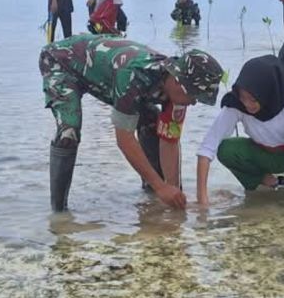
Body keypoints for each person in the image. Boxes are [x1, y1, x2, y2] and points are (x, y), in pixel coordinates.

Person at [39, 34, 223, 212]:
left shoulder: (178, 94)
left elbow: (169, 140)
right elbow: (124, 140)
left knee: (152, 120)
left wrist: (174, 191)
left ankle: (151, 195)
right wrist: (161, 187)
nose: (193, 102)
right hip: (61, 62)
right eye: (193, 95)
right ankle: (59, 213)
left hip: (103, 73)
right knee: (69, 132)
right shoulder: (132, 76)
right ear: (177, 82)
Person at [196, 55, 284, 206]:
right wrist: (202, 201)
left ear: (267, 91)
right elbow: (207, 147)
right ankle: (268, 183)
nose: (247, 104)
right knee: (226, 149)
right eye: (243, 97)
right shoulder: (237, 105)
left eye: (253, 99)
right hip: (267, 154)